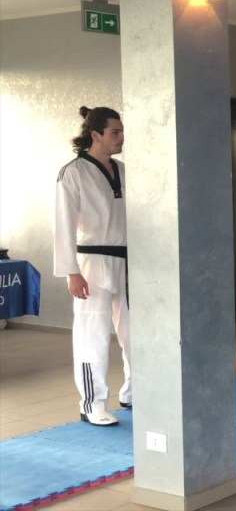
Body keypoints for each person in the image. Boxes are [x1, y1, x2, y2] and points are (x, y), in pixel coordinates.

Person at [54, 106, 132, 426]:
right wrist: (71, 271)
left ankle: (134, 390)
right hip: (92, 262)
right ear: (96, 135)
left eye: (122, 132)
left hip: (128, 262)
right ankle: (92, 402)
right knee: (93, 334)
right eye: (115, 132)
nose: (121, 138)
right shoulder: (73, 173)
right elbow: (63, 226)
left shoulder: (124, 171)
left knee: (134, 332)